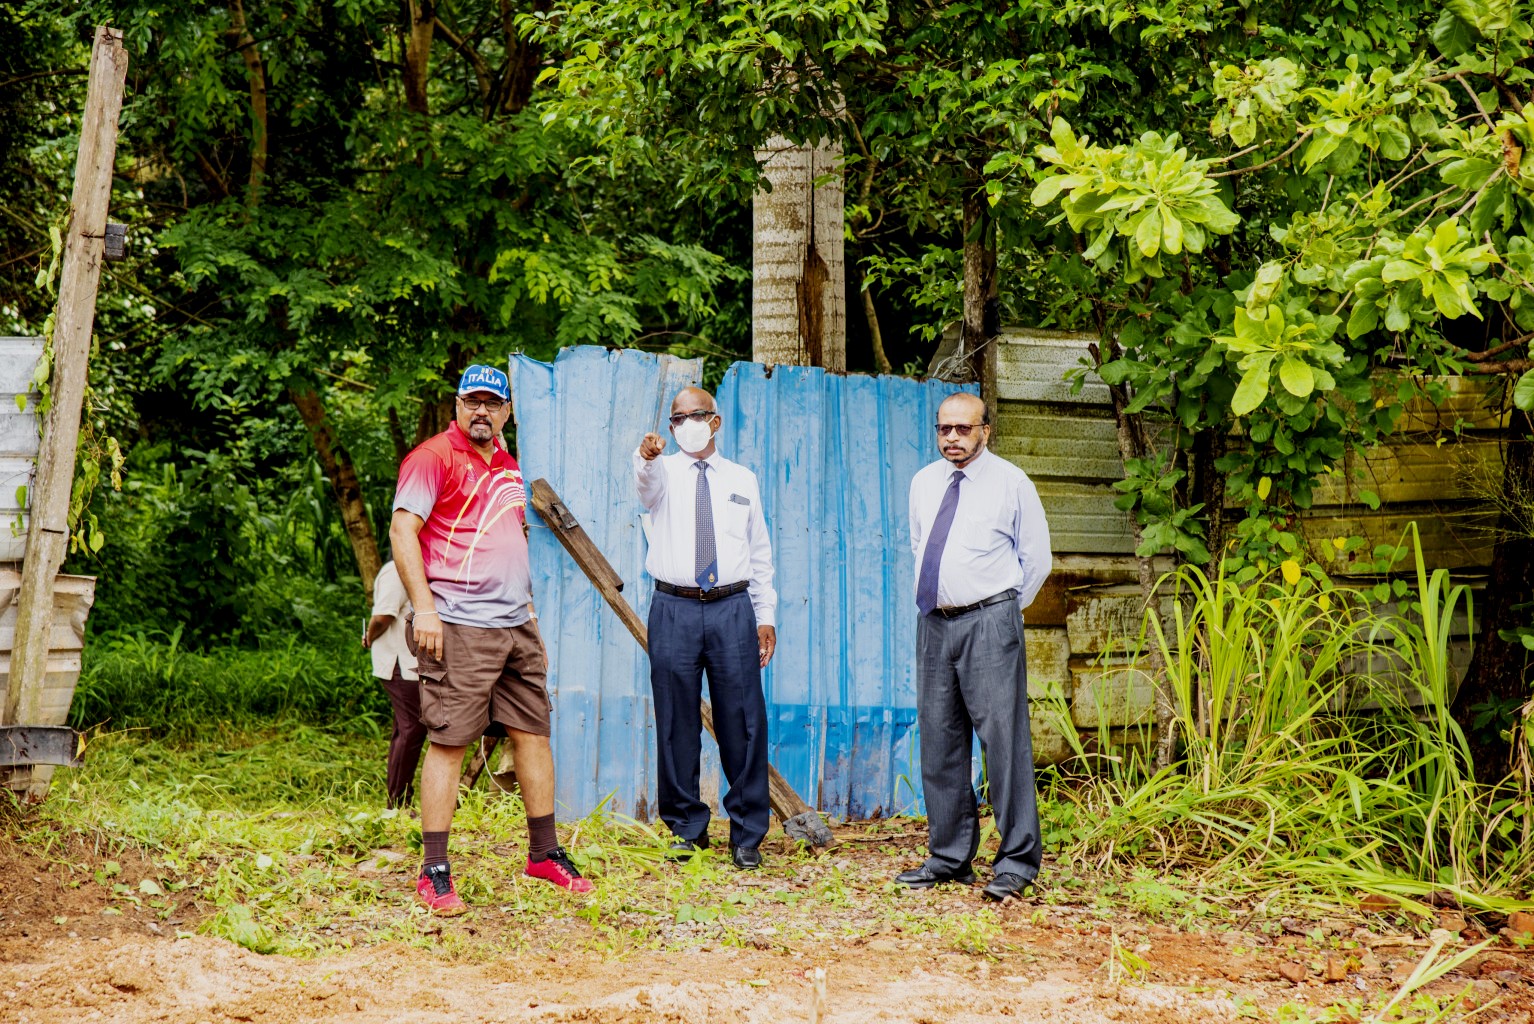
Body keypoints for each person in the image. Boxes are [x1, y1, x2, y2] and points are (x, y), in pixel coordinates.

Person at [390, 364, 592, 915]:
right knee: (450, 741)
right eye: (472, 401)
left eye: (493, 403)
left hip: (515, 625)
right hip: (457, 622)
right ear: (457, 405)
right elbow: (402, 530)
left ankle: (544, 853)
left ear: (506, 412)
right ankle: (434, 870)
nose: (482, 410)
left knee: (533, 735)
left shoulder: (506, 464)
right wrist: (425, 609)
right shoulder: (432, 458)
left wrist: (524, 606)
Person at [898, 392, 1051, 902]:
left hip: (989, 622)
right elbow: (921, 545)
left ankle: (1017, 862)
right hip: (935, 625)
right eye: (945, 429)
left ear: (986, 430)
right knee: (940, 743)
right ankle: (949, 856)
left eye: (964, 429)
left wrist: (1001, 612)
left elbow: (1037, 561)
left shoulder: (1011, 483)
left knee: (1003, 743)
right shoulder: (923, 482)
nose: (953, 438)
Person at [634, 386, 778, 870]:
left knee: (743, 720)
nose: (686, 424)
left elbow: (759, 553)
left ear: (714, 422)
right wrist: (647, 456)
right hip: (673, 608)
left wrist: (766, 616)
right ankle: (687, 829)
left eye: (695, 414)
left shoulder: (743, 479)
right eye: (677, 418)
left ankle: (747, 835)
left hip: (731, 608)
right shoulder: (663, 472)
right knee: (676, 721)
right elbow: (645, 487)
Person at [363, 559, 426, 809]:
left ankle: (397, 801)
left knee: (405, 729)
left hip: (411, 663)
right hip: (398, 662)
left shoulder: (415, 566)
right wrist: (369, 637)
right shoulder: (396, 570)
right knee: (412, 729)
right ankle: (398, 804)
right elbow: (383, 617)